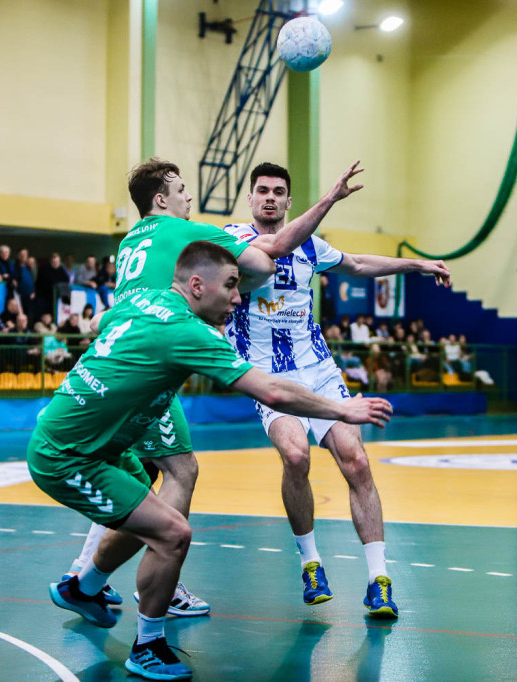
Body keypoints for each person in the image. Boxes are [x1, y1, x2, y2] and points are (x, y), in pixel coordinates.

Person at [32, 241, 391, 680]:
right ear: (198, 285)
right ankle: (147, 646)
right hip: (68, 458)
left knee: (150, 511)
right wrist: (342, 409)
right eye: (232, 286)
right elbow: (273, 391)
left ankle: (82, 588)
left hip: (101, 446)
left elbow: (107, 320)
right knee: (173, 533)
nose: (239, 299)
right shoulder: (188, 333)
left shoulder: (145, 299)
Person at [53, 156, 366, 617]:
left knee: (143, 474)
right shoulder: (186, 235)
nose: (189, 197)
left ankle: (88, 575)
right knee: (179, 471)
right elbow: (269, 254)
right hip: (146, 366)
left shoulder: (129, 243)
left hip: (117, 359)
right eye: (181, 189)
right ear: (161, 199)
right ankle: (126, 588)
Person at [223, 162, 451, 618]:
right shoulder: (232, 239)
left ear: (289, 201)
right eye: (262, 191)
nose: (269, 198)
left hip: (318, 369)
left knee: (357, 460)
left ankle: (378, 579)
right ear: (250, 200)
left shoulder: (309, 244)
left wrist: (419, 264)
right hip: (267, 372)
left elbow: (360, 263)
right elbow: (274, 247)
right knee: (295, 455)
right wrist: (328, 198)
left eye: (278, 192)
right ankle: (310, 562)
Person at [34, 253, 70, 318]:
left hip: (57, 299)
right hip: (45, 298)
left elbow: (66, 280)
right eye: (54, 262)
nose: (56, 263)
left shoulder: (61, 269)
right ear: (51, 261)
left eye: (57, 262)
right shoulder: (44, 270)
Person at [11, 248, 34, 316]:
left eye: (25, 255)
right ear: (18, 256)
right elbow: (14, 281)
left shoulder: (28, 267)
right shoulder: (15, 267)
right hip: (21, 295)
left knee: (30, 314)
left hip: (30, 295)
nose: (24, 256)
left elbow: (32, 280)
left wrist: (33, 291)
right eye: (22, 255)